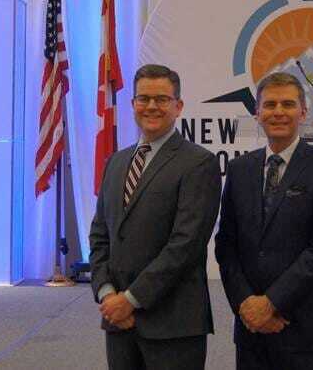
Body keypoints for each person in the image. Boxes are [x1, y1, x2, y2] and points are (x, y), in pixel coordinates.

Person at [89, 64, 221, 370]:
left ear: (178, 106)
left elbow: (185, 245)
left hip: (172, 324)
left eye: (161, 99)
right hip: (119, 322)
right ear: (133, 104)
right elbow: (100, 235)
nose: (151, 106)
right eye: (143, 98)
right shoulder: (116, 162)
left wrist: (130, 300)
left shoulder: (199, 163)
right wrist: (108, 294)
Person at [215, 72, 313, 370]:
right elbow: (226, 246)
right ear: (257, 113)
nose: (278, 112)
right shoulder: (239, 170)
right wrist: (246, 304)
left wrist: (271, 303)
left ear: (303, 113)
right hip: (251, 327)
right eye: (269, 104)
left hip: (305, 324)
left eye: (287, 104)